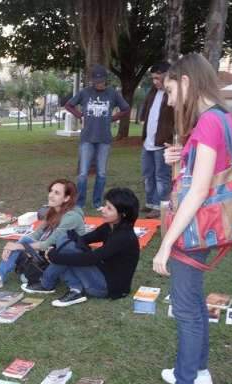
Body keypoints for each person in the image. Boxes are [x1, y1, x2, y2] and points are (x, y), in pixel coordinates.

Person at [152, 53, 232, 384]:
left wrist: (166, 242)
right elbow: (196, 175)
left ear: (186, 82)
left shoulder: (207, 124)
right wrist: (177, 157)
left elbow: (198, 190)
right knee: (194, 304)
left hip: (192, 229)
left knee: (186, 310)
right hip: (203, 228)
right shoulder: (220, 119)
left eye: (170, 90)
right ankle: (199, 371)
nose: (169, 100)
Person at [23, 188, 140, 308]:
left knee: (67, 251)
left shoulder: (123, 236)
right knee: (65, 240)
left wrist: (56, 256)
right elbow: (83, 239)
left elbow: (90, 258)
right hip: (102, 271)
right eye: (105, 205)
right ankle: (76, 289)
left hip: (109, 287)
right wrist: (55, 247)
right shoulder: (109, 227)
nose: (103, 210)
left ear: (123, 214)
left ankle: (46, 283)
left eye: (109, 208)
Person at [0, 179, 85, 289]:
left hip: (64, 256)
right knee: (24, 241)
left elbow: (48, 243)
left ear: (66, 198)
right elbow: (37, 234)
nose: (51, 195)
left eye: (57, 193)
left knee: (23, 260)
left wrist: (18, 246)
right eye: (51, 191)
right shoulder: (52, 211)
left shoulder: (72, 217)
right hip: (50, 251)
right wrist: (15, 245)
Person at [65, 65, 130, 210]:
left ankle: (96, 202)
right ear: (92, 81)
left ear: (106, 80)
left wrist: (113, 118)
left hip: (104, 139)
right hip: (87, 138)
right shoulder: (85, 93)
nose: (99, 84)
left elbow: (126, 108)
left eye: (101, 81)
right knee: (83, 173)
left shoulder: (112, 93)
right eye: (96, 81)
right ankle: (80, 202)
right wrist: (80, 116)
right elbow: (68, 105)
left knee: (101, 173)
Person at [140, 62, 175, 219]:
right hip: (148, 142)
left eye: (158, 78)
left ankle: (161, 206)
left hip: (163, 143)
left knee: (162, 176)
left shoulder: (173, 93)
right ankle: (150, 203)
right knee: (148, 174)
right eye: (153, 78)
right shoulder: (153, 92)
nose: (155, 82)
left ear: (167, 76)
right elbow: (146, 108)